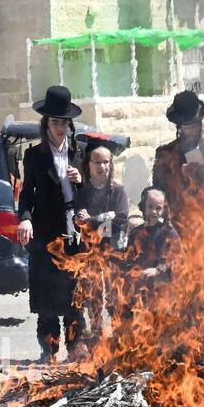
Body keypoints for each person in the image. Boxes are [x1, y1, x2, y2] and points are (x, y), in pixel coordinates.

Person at [15, 85, 85, 361]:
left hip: (75, 233)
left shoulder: (81, 152)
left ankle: (76, 349)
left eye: (64, 122)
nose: (60, 127)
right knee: (46, 299)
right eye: (55, 122)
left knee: (73, 297)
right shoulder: (34, 156)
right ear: (46, 125)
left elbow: (92, 194)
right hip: (45, 233)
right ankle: (49, 351)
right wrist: (25, 220)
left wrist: (81, 182)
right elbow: (26, 197)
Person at [74, 138, 129, 341]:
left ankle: (118, 337)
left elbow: (121, 216)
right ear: (88, 164)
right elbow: (80, 221)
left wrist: (94, 219)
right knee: (93, 296)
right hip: (90, 252)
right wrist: (104, 217)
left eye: (106, 162)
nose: (102, 166)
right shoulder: (82, 192)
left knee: (114, 296)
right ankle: (97, 337)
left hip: (112, 251)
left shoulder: (118, 191)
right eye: (97, 162)